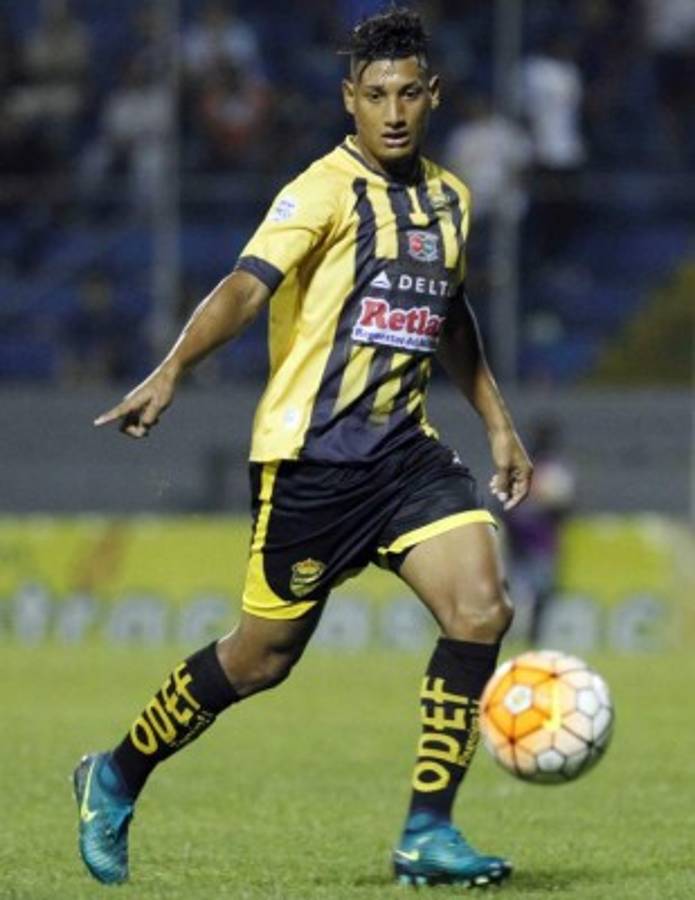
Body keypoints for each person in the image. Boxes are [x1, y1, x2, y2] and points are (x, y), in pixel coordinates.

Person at [73, 8, 532, 890]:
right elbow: (245, 289)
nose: (392, 112)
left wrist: (497, 421)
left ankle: (427, 831)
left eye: (407, 94)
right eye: (375, 95)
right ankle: (117, 773)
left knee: (481, 610)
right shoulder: (319, 191)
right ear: (348, 99)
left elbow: (448, 315)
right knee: (261, 658)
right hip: (311, 462)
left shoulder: (450, 199)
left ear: (432, 95)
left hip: (405, 453)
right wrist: (172, 370)